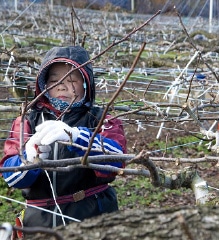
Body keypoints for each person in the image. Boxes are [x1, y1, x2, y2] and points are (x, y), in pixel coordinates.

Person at [0, 46, 127, 230]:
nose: (61, 85)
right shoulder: (27, 120)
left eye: (71, 79)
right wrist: (28, 161)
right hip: (39, 222)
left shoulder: (102, 119)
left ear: (86, 83)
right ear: (44, 85)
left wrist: (77, 137)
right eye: (54, 80)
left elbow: (117, 161)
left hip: (92, 216)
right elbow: (11, 177)